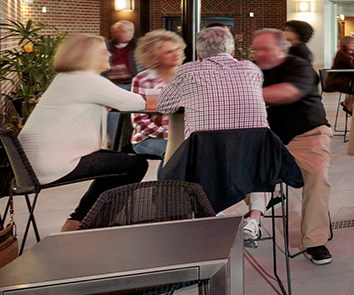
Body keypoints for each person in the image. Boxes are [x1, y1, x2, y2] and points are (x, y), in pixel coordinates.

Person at [18, 33, 149, 231]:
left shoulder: (67, 78)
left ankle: (79, 221)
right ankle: (92, 223)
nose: (108, 52)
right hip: (52, 164)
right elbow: (137, 103)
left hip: (32, 164)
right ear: (86, 55)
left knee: (118, 162)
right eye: (101, 50)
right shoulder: (86, 79)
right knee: (135, 164)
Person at [156, 26, 269, 242]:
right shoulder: (252, 70)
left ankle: (211, 215)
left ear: (199, 53)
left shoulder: (187, 71)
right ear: (233, 50)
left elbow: (164, 105)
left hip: (206, 160)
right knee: (259, 155)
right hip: (251, 159)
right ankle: (253, 221)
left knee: (192, 161)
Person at [250, 30, 334, 265]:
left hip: (308, 133)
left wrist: (245, 95)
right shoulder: (251, 70)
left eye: (265, 49)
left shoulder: (298, 66)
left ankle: (315, 242)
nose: (259, 54)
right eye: (256, 50)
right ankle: (257, 210)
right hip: (269, 137)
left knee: (317, 179)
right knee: (239, 166)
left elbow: (288, 92)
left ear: (281, 49)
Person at [128, 29, 185, 157]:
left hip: (183, 136)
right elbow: (140, 120)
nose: (176, 54)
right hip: (149, 138)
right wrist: (169, 135)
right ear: (154, 56)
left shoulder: (187, 77)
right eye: (169, 52)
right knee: (174, 152)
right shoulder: (143, 80)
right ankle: (168, 178)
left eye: (178, 49)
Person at [104, 20, 137, 85]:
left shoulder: (139, 47)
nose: (126, 33)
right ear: (114, 32)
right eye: (122, 31)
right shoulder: (105, 46)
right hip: (110, 83)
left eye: (129, 30)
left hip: (131, 83)